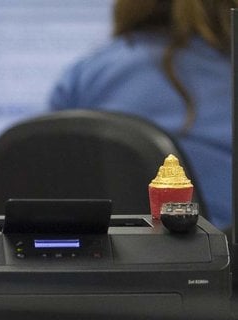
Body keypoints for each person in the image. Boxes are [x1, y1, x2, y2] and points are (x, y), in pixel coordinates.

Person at [48, 0, 234, 230]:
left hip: (110, 254)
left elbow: (48, 179)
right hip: (220, 258)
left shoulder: (85, 75)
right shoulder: (228, 72)